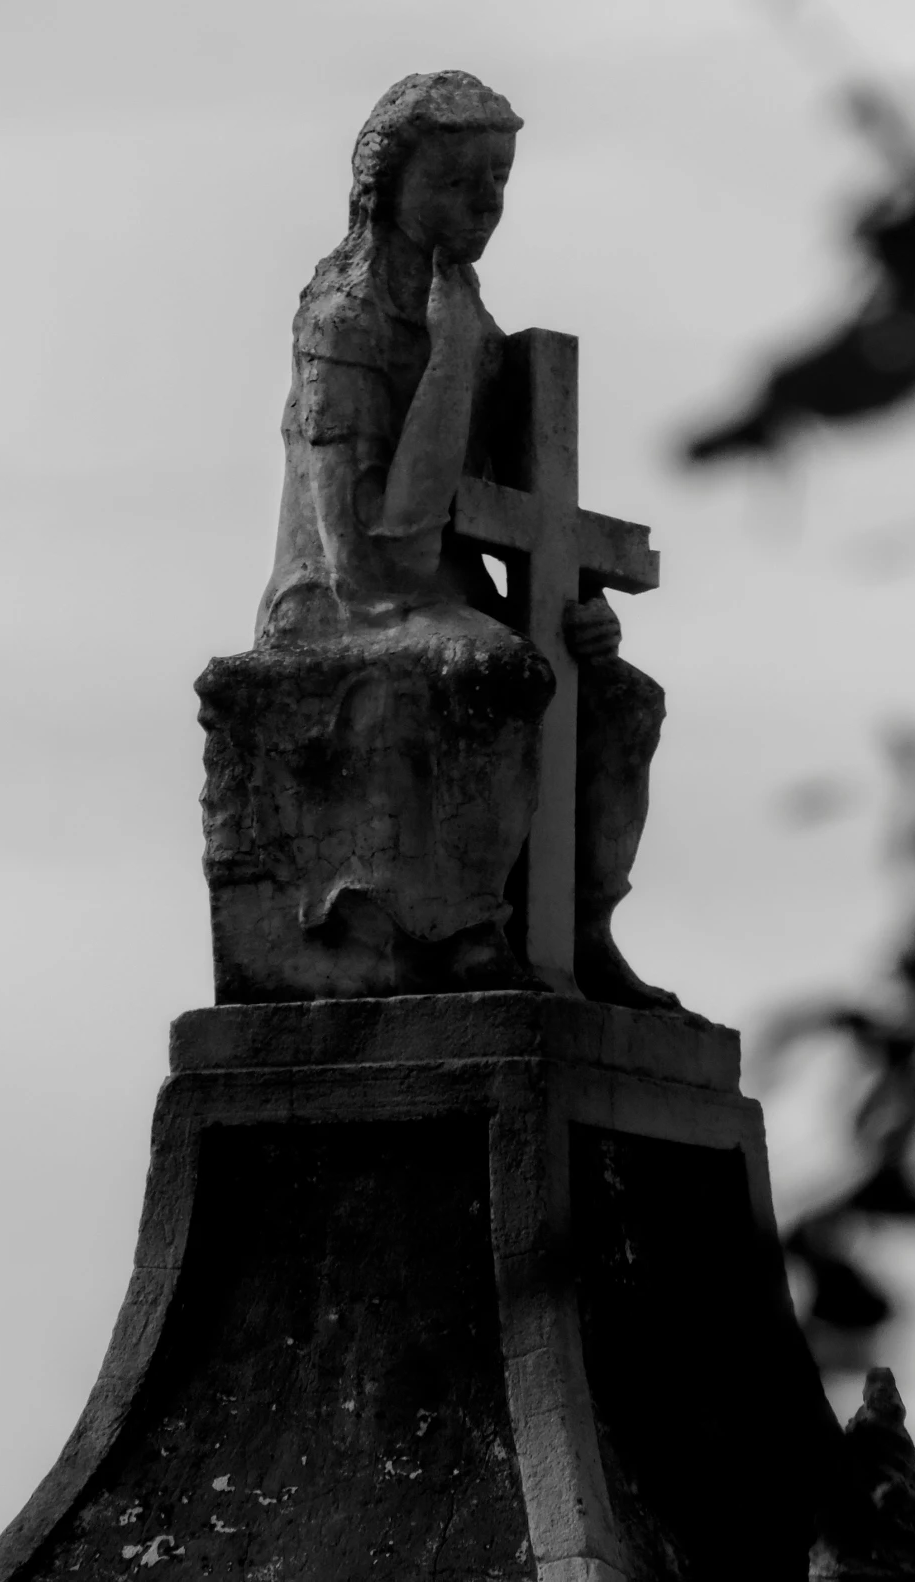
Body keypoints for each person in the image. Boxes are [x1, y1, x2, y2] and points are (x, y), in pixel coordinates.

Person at [258, 70, 672, 1008]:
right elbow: (378, 552)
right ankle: (466, 931)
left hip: (448, 595)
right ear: (387, 189)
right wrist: (446, 361)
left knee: (623, 701)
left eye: (498, 180)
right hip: (342, 601)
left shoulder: (469, 314)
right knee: (494, 674)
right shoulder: (344, 324)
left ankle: (577, 930)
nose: (483, 204)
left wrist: (579, 601)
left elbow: (519, 512)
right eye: (457, 181)